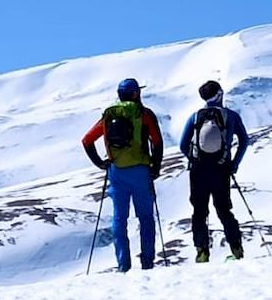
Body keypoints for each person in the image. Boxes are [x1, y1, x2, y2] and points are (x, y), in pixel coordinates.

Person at [81, 78, 164, 272]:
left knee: (119, 219)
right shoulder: (144, 114)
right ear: (136, 94)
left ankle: (123, 264)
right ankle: (147, 262)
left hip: (117, 172)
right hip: (141, 171)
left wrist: (101, 164)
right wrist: (156, 168)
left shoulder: (110, 115)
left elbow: (87, 140)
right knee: (146, 217)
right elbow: (157, 142)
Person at [178, 79, 251, 262]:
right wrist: (234, 164)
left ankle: (202, 251)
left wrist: (193, 160)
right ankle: (236, 249)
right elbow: (244, 140)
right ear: (219, 94)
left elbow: (182, 145)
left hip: (198, 171)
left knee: (200, 211)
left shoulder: (195, 117)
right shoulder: (230, 116)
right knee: (224, 210)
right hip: (221, 169)